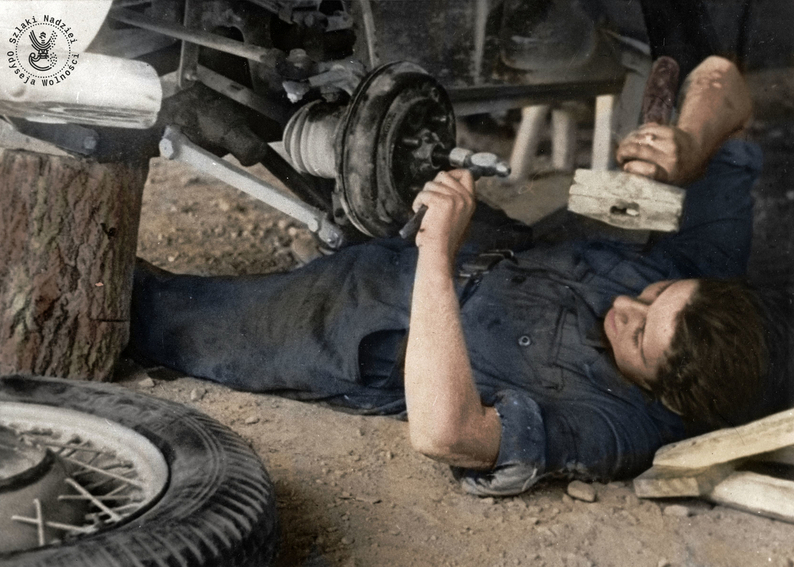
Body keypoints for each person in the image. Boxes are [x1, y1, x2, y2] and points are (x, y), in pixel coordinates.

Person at [128, 56, 789, 496]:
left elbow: (447, 432)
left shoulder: (616, 427)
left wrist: (438, 254)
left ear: (666, 397)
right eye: (650, 292)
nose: (626, 306)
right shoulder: (703, 283)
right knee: (311, 114)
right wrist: (690, 145)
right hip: (474, 240)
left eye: (638, 334)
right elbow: (724, 80)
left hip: (370, 320)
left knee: (146, 315)